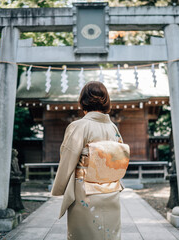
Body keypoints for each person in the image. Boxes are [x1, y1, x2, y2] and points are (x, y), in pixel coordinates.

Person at [51, 81, 127, 240]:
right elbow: (119, 160)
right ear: (106, 100)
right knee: (109, 234)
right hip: (111, 190)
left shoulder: (79, 126)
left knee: (85, 234)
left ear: (83, 100)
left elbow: (68, 158)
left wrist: (59, 187)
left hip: (85, 191)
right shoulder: (113, 128)